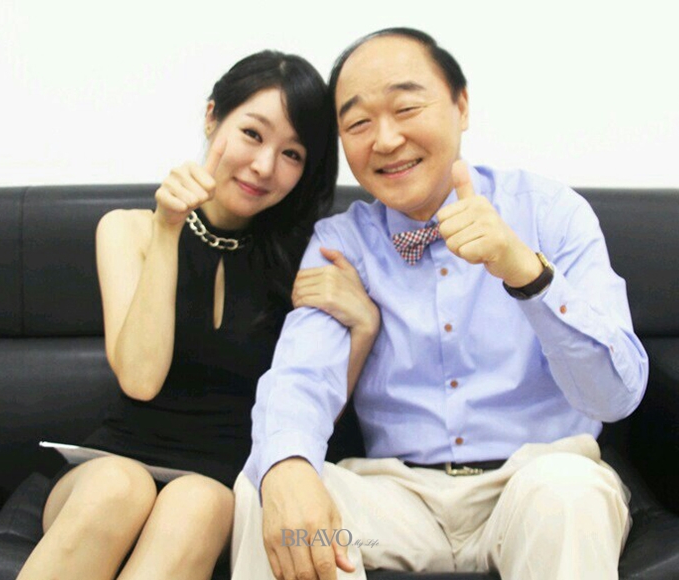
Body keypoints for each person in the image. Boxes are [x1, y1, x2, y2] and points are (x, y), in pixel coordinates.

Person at [231, 29, 649, 580]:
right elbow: (301, 374)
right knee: (268, 488)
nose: (385, 139)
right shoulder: (342, 241)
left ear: (462, 105)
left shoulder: (550, 211)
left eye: (406, 108)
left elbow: (615, 396)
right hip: (399, 499)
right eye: (358, 123)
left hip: (533, 480)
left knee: (569, 493)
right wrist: (286, 465)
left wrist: (527, 274)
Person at [16, 50, 381, 580]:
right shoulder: (128, 229)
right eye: (252, 134)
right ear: (212, 117)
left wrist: (364, 327)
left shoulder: (308, 253)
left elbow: (314, 410)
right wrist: (168, 228)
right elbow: (140, 379)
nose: (264, 166)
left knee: (197, 501)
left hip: (221, 488)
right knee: (119, 486)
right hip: (112, 467)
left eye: (292, 154)